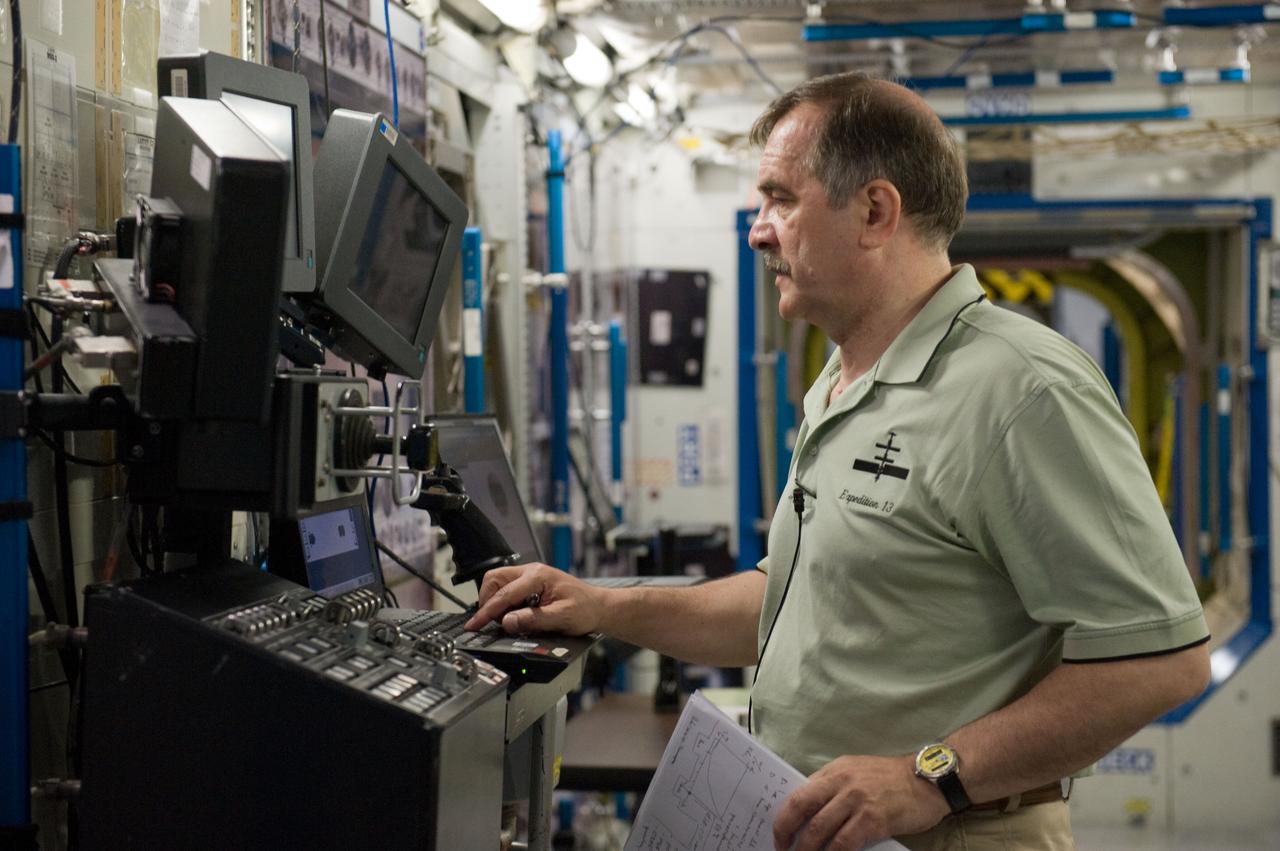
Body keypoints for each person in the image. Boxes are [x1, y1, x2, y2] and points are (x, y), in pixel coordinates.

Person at [465, 72, 1210, 851]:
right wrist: (604, 606)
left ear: (875, 212)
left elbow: (1160, 660)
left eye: (781, 199)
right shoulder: (845, 378)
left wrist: (931, 776)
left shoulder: (1020, 389)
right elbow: (790, 604)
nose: (759, 230)